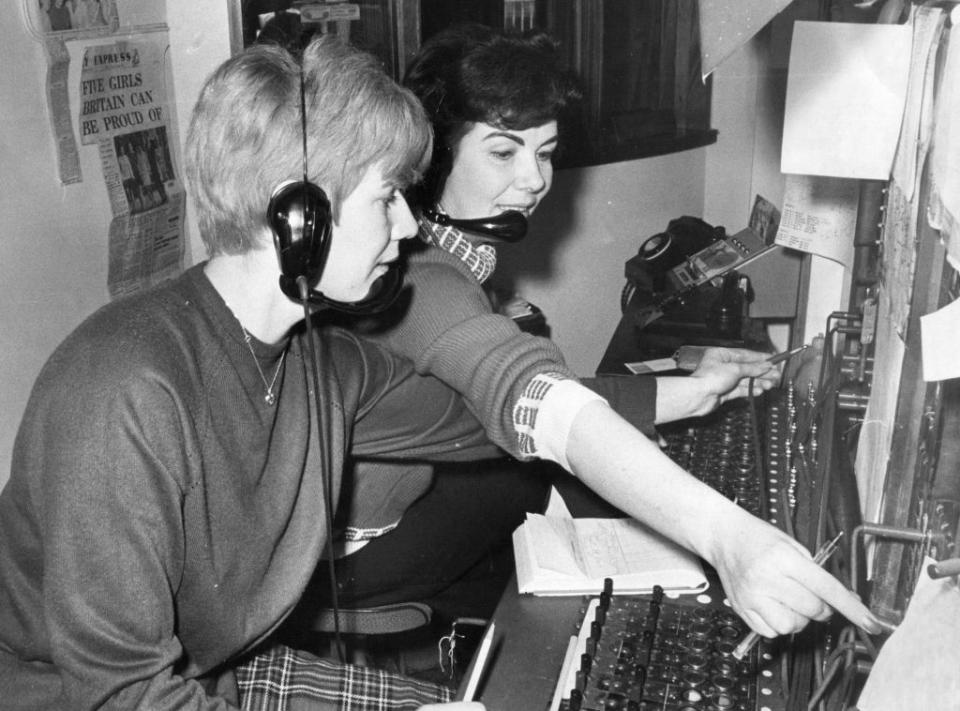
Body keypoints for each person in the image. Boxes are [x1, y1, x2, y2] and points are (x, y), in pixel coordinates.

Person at [296, 22, 885, 650]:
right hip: (350, 562)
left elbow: (489, 395)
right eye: (503, 151)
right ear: (433, 155)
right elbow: (524, 398)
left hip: (366, 531)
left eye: (544, 152)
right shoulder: (425, 279)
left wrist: (694, 391)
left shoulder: (448, 258)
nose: (533, 179)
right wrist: (728, 537)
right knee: (530, 481)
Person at [0, 35, 492, 710]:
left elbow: (478, 416)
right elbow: (121, 694)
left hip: (212, 679)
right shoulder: (124, 388)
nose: (410, 225)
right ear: (300, 216)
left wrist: (667, 395)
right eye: (389, 197)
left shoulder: (320, 360)